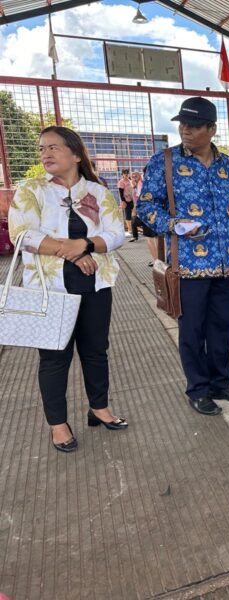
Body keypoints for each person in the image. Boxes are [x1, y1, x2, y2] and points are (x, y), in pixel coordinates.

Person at [8, 126, 127, 452]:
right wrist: (71, 251)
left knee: (96, 351)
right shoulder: (32, 190)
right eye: (41, 148)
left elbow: (117, 233)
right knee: (54, 358)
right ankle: (58, 424)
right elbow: (22, 235)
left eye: (53, 147)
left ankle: (99, 408)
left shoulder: (98, 192)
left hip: (96, 286)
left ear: (75, 154)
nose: (45, 154)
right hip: (50, 289)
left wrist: (85, 244)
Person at [138, 96, 229, 416]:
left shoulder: (226, 165)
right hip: (188, 265)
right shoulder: (165, 161)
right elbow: (146, 206)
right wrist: (173, 225)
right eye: (183, 124)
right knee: (192, 331)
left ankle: (221, 383)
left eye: (194, 125)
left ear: (212, 129)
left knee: (222, 327)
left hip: (224, 265)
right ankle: (198, 389)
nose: (185, 130)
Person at [118, 169, 134, 238]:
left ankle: (132, 228)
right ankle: (129, 229)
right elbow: (121, 192)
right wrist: (123, 201)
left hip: (132, 199)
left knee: (132, 214)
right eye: (125, 173)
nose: (126, 174)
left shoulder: (130, 180)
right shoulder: (121, 182)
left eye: (127, 173)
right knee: (128, 214)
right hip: (126, 200)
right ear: (122, 174)